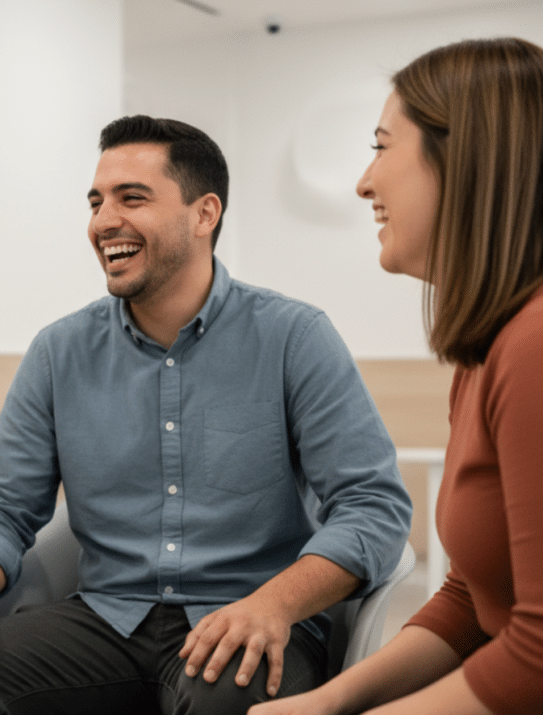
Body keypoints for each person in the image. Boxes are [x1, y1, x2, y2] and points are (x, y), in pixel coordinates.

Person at [0, 115, 412, 715]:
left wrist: (273, 605)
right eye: (96, 202)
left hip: (247, 615)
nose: (103, 221)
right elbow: (2, 506)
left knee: (226, 695)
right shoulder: (58, 351)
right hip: (105, 619)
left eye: (131, 198)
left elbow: (372, 507)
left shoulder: (294, 336)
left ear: (204, 214)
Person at [250, 36, 543, 715]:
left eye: (382, 147)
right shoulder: (485, 353)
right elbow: (473, 598)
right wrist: (330, 701)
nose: (362, 181)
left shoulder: (533, 347)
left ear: (463, 158)